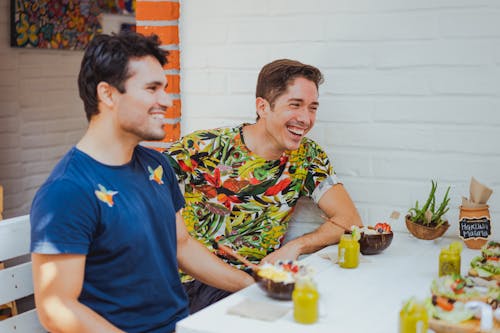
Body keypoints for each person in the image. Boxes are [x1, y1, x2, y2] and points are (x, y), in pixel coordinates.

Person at [30, 31, 253, 333]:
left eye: (165, 88)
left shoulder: (156, 164)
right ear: (107, 94)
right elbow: (56, 307)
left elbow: (182, 245)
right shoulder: (67, 190)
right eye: (152, 88)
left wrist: (254, 284)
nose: (166, 100)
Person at [164, 59, 363, 312]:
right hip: (198, 281)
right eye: (295, 105)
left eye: (312, 108)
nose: (305, 118)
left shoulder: (308, 157)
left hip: (262, 280)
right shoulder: (204, 147)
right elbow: (144, 178)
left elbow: (349, 220)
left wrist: (296, 246)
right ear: (262, 107)